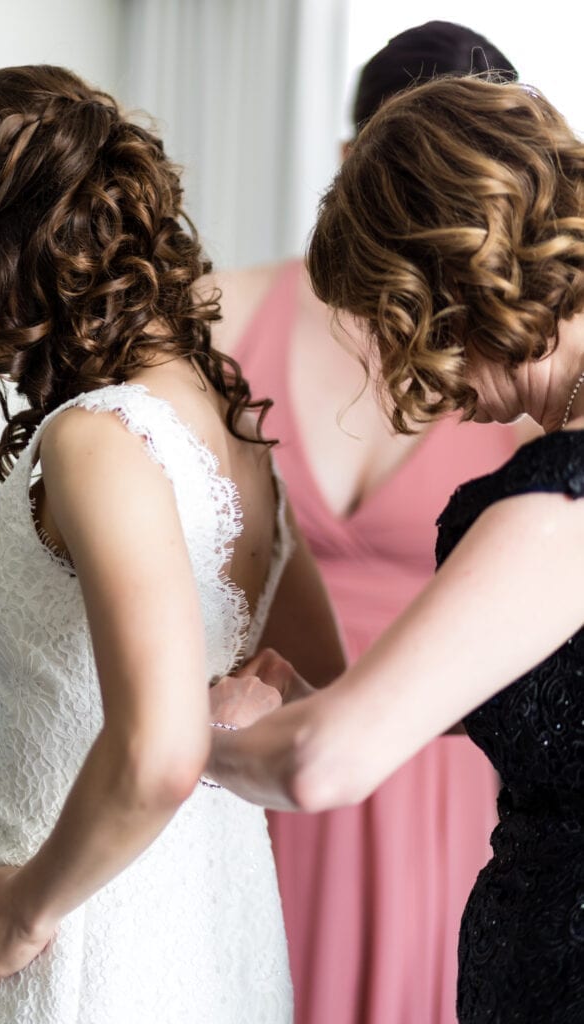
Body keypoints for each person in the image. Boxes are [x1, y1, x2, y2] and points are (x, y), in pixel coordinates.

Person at [0, 64, 345, 1023]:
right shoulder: (229, 433)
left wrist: (27, 908)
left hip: (93, 928)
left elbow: (154, 754)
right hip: (220, 924)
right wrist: (237, 699)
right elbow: (320, 680)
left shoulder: (96, 436)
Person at [207, 76, 584, 1022]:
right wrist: (322, 699)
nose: (405, 372)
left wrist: (164, 744)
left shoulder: (562, 502)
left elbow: (319, 766)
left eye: (394, 322)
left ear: (450, 289)